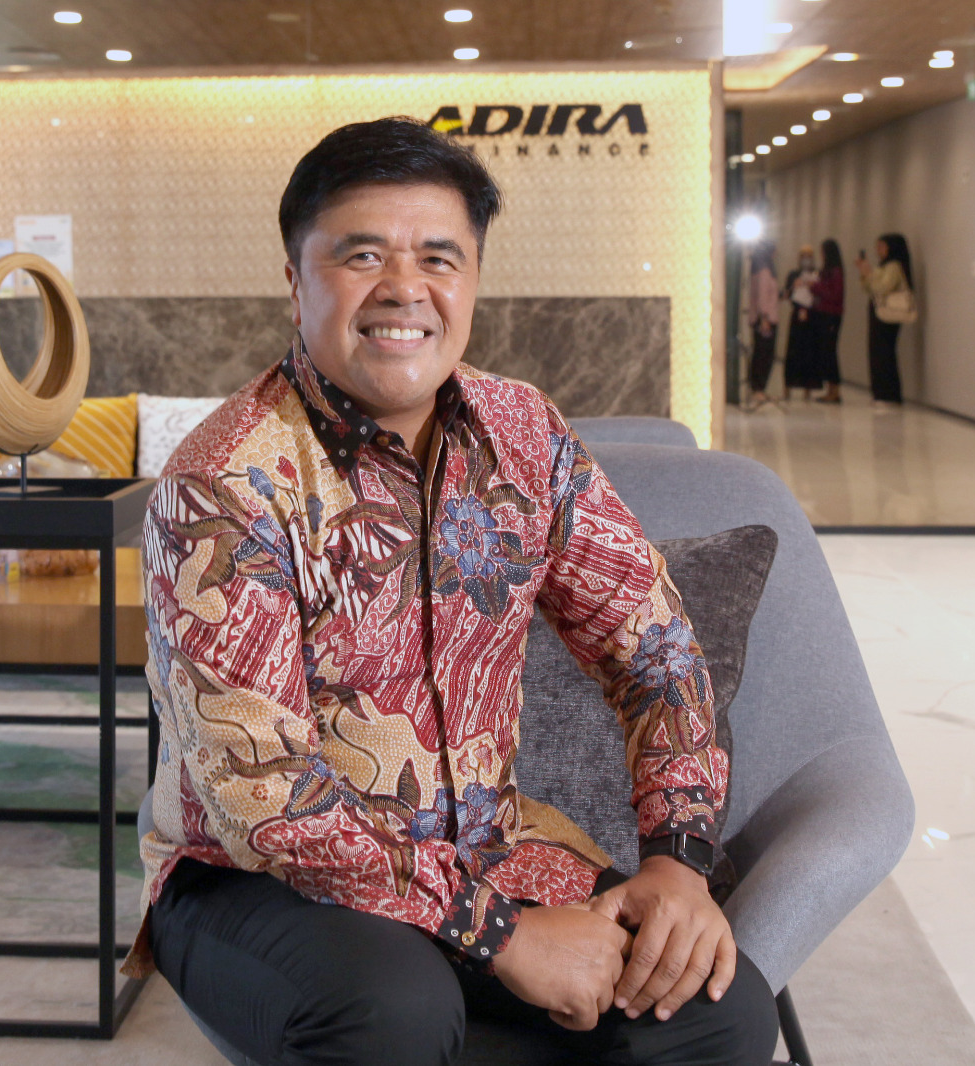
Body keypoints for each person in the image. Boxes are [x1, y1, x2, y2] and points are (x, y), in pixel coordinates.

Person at [125, 117, 779, 1066]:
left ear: (471, 281)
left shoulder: (524, 433)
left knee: (721, 1011)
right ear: (296, 281)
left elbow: (656, 650)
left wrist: (678, 863)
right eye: (361, 255)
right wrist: (505, 937)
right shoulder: (223, 483)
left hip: (489, 847)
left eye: (439, 257)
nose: (404, 287)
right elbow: (265, 800)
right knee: (395, 1013)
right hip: (254, 877)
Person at [856, 233, 913, 409]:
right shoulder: (884, 266)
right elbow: (869, 288)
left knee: (884, 353)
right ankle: (880, 393)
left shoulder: (894, 266)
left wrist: (869, 274)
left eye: (882, 246)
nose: (878, 250)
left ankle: (888, 394)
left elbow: (882, 288)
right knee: (877, 352)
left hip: (888, 315)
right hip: (879, 313)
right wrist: (866, 274)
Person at [808, 239, 845, 404]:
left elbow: (835, 294)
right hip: (823, 314)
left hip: (831, 316)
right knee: (825, 352)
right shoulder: (827, 271)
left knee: (830, 352)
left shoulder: (836, 272)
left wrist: (815, 287)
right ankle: (830, 389)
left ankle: (835, 390)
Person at [744, 241, 779, 411]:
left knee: (760, 352)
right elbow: (763, 296)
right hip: (765, 319)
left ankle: (758, 388)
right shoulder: (765, 271)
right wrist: (765, 317)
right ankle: (758, 388)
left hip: (760, 318)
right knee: (764, 353)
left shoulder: (758, 268)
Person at [781, 244, 818, 401]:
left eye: (809, 256)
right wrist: (793, 287)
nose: (806, 259)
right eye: (803, 256)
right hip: (796, 316)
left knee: (809, 352)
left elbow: (819, 296)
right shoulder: (793, 274)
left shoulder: (817, 274)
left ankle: (807, 388)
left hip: (812, 318)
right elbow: (786, 294)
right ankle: (788, 387)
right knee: (793, 351)